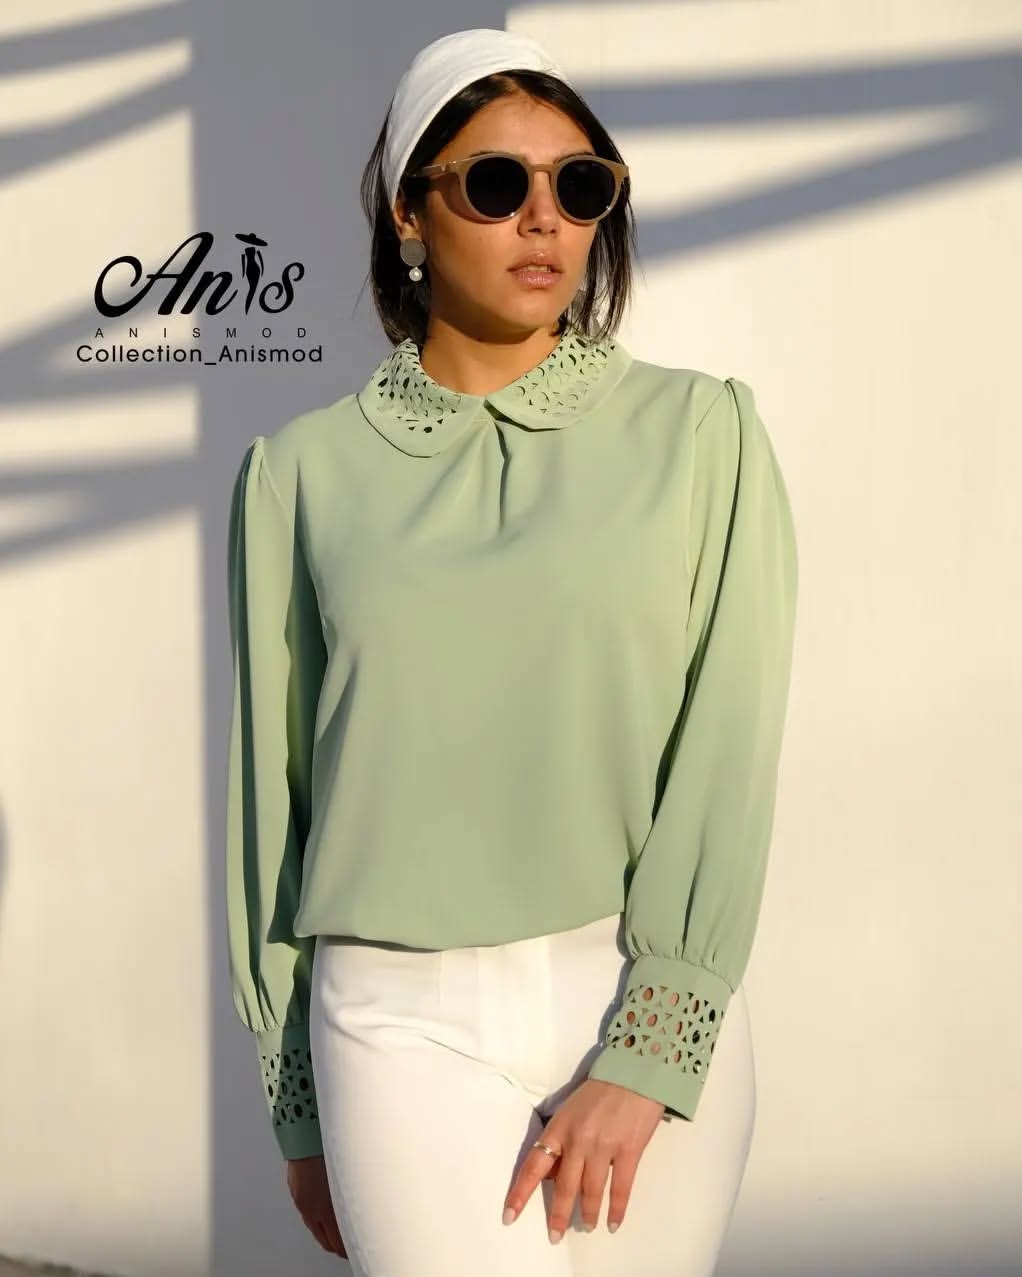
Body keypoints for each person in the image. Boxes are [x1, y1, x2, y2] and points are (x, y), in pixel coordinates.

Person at [224, 26, 799, 1277]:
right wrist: (296, 1096)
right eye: (495, 183)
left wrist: (651, 1043)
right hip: (393, 1020)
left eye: (578, 185)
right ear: (408, 212)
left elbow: (728, 741)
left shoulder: (699, 435)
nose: (543, 217)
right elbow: (277, 804)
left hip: (638, 987)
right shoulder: (298, 478)